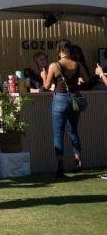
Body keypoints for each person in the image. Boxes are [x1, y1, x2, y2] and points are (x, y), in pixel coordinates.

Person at [43, 40, 88, 177]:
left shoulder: (54, 66)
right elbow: (86, 80)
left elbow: (46, 86)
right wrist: (78, 80)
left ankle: (60, 165)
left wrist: (43, 76)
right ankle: (78, 163)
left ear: (59, 51)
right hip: (75, 100)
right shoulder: (78, 65)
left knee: (58, 134)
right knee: (73, 131)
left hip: (60, 100)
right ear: (69, 50)